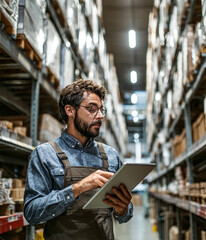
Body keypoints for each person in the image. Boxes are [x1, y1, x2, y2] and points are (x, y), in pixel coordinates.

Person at [24, 79, 133, 240]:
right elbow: (32, 213)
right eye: (92, 109)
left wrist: (123, 209)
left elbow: (125, 215)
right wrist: (78, 188)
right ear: (70, 110)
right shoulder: (45, 154)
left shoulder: (110, 155)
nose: (100, 116)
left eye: (102, 110)